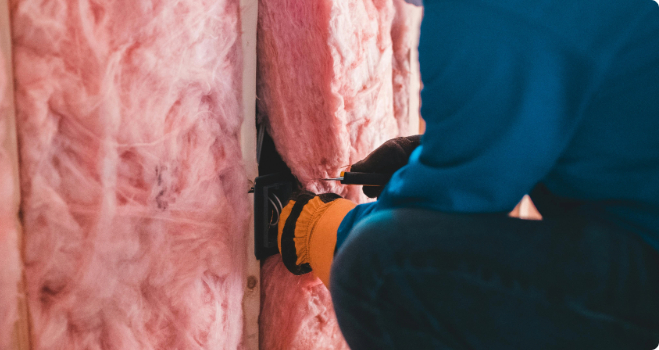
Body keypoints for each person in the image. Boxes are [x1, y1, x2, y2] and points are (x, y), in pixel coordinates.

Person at [276, 0, 659, 348]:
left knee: (381, 273)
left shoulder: (487, 12)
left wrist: (321, 228)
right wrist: (437, 153)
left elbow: (451, 203)